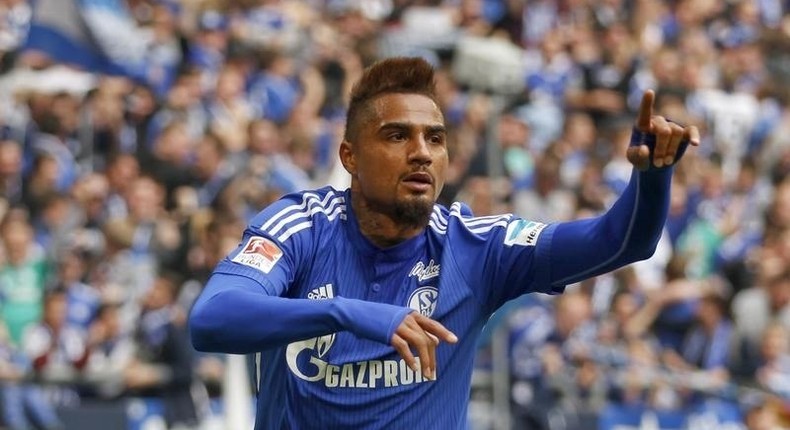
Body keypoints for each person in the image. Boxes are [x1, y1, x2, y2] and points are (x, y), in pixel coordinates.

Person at [188, 56, 700, 429]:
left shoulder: (475, 248)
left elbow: (618, 243)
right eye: (396, 136)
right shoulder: (301, 226)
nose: (422, 153)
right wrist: (346, 313)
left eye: (435, 138)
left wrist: (652, 179)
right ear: (349, 156)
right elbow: (212, 320)